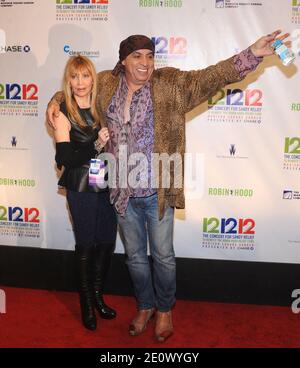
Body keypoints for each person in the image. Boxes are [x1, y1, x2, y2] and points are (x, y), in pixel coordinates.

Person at [47, 30, 291, 341]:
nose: (145, 63)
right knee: (134, 257)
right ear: (123, 60)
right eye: (137, 56)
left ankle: (164, 309)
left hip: (157, 190)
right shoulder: (107, 83)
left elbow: (212, 77)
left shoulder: (170, 84)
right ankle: (145, 306)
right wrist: (54, 102)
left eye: (150, 56)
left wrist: (252, 54)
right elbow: (75, 88)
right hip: (121, 192)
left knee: (163, 256)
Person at [52, 55, 117, 331]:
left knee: (106, 241)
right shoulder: (62, 110)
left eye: (85, 76)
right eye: (74, 77)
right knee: (86, 243)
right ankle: (86, 303)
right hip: (80, 183)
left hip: (105, 178)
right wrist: (96, 145)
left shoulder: (103, 103)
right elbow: (65, 155)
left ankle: (99, 296)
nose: (80, 83)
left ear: (94, 78)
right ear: (69, 80)